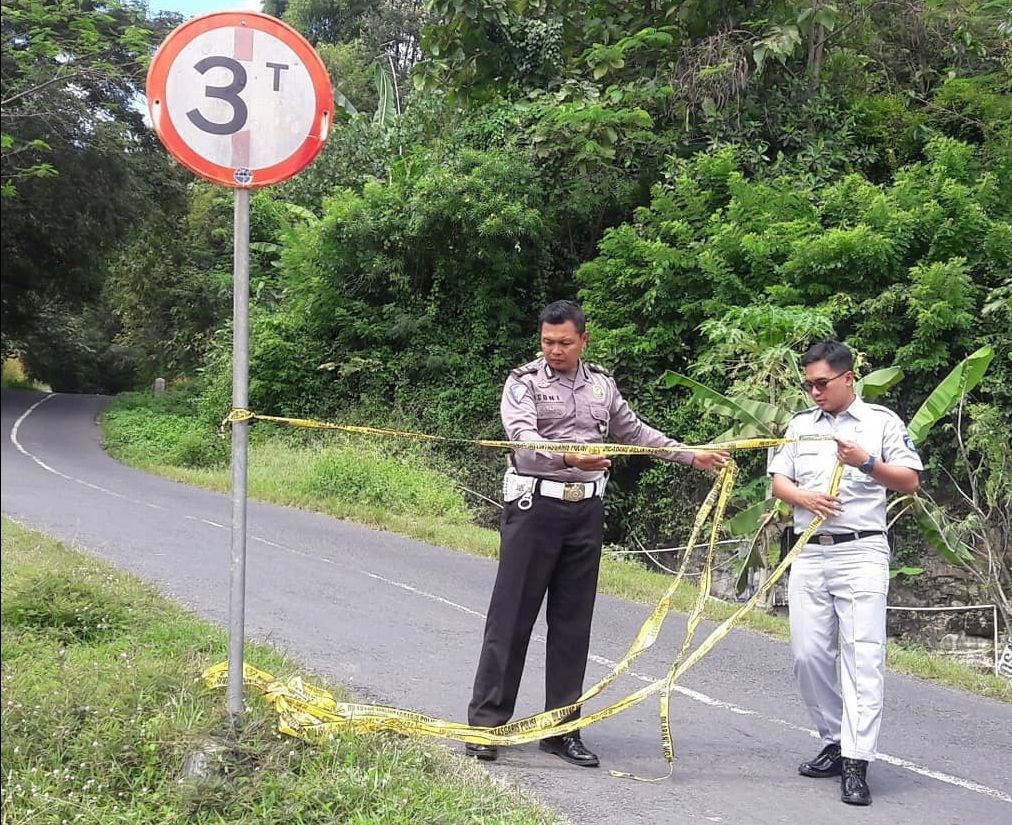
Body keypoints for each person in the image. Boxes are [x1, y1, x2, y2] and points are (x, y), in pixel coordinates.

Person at [465, 300, 728, 766]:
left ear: (584, 340)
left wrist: (690, 455)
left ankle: (560, 729)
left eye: (565, 342)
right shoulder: (522, 382)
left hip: (584, 514)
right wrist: (570, 459)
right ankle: (487, 725)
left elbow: (634, 432)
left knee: (572, 626)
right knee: (510, 620)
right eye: (547, 342)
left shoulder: (602, 386)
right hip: (534, 508)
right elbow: (522, 437)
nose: (555, 350)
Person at [768, 340, 922, 806]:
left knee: (863, 657)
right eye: (808, 384)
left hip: (861, 551)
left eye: (821, 383)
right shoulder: (800, 426)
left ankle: (857, 760)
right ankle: (834, 739)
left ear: (848, 378)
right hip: (810, 550)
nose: (814, 392)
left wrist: (867, 463)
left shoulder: (881, 423)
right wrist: (804, 499)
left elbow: (911, 479)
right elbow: (779, 481)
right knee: (808, 654)